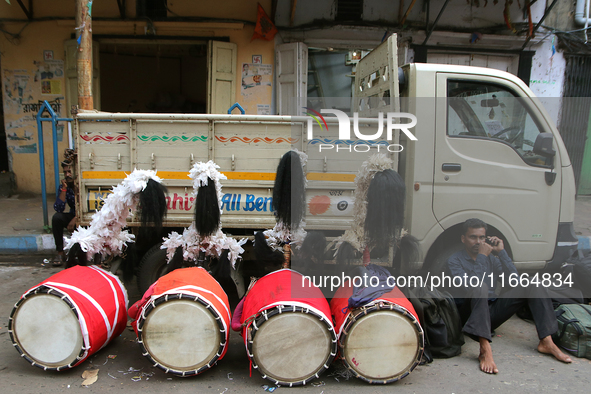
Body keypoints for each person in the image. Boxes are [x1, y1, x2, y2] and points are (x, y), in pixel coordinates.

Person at [447, 218, 571, 374]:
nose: (478, 241)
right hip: (469, 315)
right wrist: (481, 257)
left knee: (532, 284)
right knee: (480, 287)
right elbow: (470, 286)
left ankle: (546, 340)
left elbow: (515, 282)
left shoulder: (491, 258)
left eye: (482, 237)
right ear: (463, 239)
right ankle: (485, 348)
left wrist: (502, 253)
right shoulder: (454, 260)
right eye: (473, 237)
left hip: (491, 313)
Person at [51, 161, 76, 267]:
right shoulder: (65, 186)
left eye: (69, 172)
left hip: (88, 218)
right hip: (73, 217)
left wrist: (77, 218)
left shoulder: (85, 182)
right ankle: (60, 253)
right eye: (65, 172)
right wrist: (64, 189)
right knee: (56, 218)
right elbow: (59, 208)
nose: (67, 175)